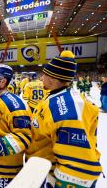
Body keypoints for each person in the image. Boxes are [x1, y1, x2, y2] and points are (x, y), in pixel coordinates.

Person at [26, 51, 102, 188]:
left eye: (45, 74)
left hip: (58, 176)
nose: (41, 78)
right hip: (43, 169)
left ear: (53, 79)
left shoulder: (65, 107)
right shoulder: (57, 97)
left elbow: (79, 158)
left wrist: (68, 182)